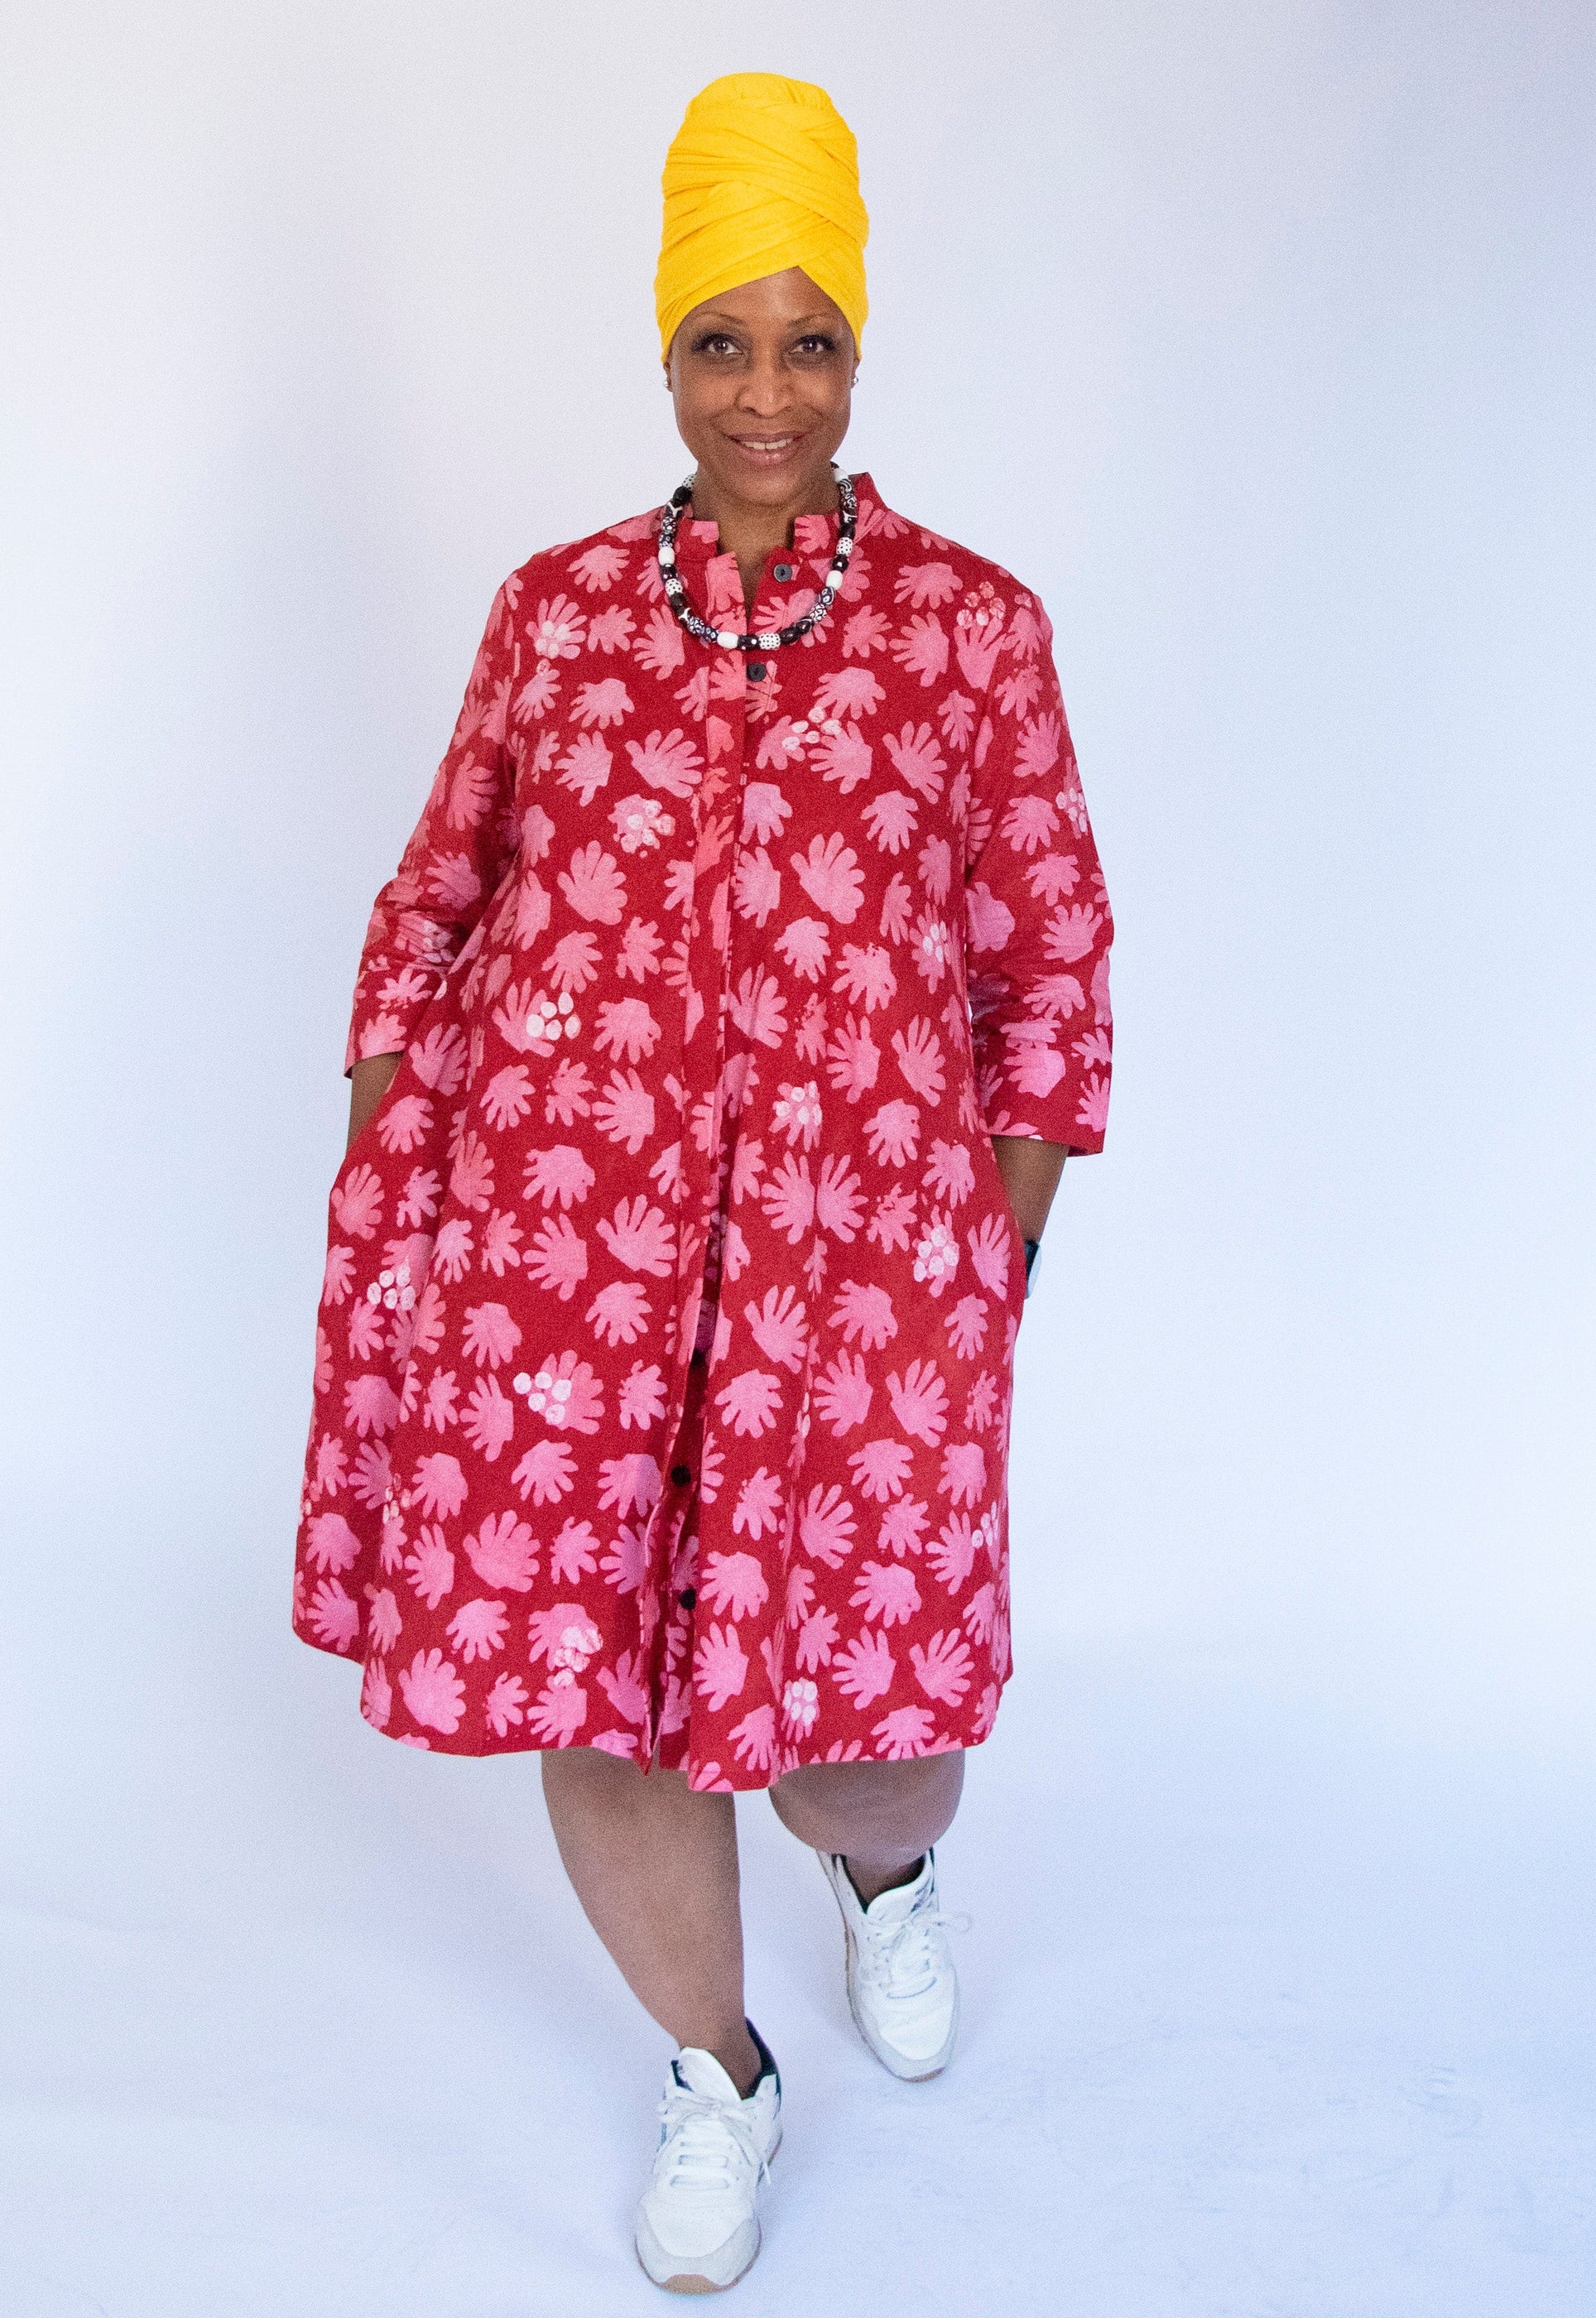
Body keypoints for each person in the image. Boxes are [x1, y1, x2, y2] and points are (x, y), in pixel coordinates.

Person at [292, 70, 1113, 2294]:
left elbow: (1052, 969)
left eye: (808, 338)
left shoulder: (974, 638)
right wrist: (403, 1146)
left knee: (873, 1748)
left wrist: (986, 1264)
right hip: (563, 1302)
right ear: (664, 353)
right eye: (722, 342)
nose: (767, 392)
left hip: (860, 1309)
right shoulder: (554, 621)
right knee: (594, 1699)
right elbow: (434, 904)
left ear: (862, 347)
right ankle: (717, 2072)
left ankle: (884, 1882)